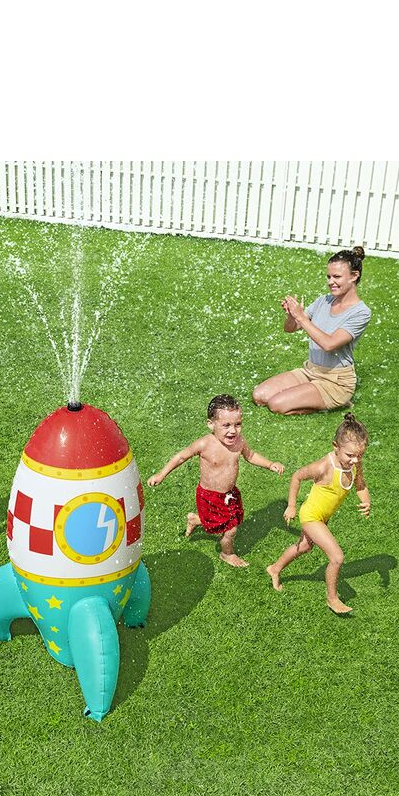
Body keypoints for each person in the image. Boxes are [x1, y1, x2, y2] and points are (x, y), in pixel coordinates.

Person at [148, 394, 284, 569]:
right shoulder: (205, 444)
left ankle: (195, 520)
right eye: (226, 425)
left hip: (230, 493)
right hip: (210, 496)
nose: (233, 431)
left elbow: (250, 456)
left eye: (237, 424)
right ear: (211, 424)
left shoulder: (239, 442)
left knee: (224, 521)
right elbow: (181, 457)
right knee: (230, 529)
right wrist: (161, 474)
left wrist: (270, 464)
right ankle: (227, 553)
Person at [267, 412, 371, 613]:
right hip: (311, 516)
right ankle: (332, 599)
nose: (355, 460)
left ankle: (274, 568)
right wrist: (291, 506)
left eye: (360, 455)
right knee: (337, 557)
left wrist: (366, 501)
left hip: (323, 517)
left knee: (304, 546)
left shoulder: (355, 464)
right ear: (335, 446)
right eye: (350, 455)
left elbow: (360, 484)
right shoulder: (324, 467)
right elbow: (297, 476)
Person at [252, 246, 372, 416]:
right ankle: (310, 394)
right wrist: (292, 316)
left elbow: (329, 344)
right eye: (329, 276)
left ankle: (337, 401)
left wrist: (301, 317)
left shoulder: (361, 312)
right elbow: (290, 329)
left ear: (354, 276)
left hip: (335, 381)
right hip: (310, 370)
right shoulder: (324, 300)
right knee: (259, 396)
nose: (331, 282)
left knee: (276, 405)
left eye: (337, 277)